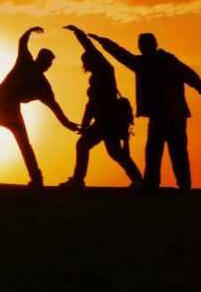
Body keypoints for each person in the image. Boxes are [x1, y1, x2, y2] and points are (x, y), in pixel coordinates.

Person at [89, 31, 201, 191]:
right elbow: (190, 76)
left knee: (164, 151)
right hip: (168, 114)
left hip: (171, 114)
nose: (142, 48)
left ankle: (165, 184)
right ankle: (171, 185)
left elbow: (122, 54)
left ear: (147, 46)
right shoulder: (160, 61)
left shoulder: (152, 62)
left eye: (142, 45)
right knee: (164, 151)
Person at [0, 27, 80, 187]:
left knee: (21, 143)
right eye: (47, 62)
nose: (48, 66)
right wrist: (29, 31)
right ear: (40, 59)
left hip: (7, 108)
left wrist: (67, 123)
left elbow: (54, 106)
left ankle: (35, 178)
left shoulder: (42, 85)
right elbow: (22, 42)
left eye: (49, 64)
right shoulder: (26, 63)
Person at [60, 25, 142, 189]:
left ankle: (78, 180)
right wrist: (85, 124)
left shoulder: (105, 71)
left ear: (91, 61)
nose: (85, 65)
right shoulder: (98, 76)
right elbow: (90, 105)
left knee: (85, 146)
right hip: (105, 121)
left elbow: (91, 49)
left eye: (86, 62)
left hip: (107, 120)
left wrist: (79, 34)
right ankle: (138, 180)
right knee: (115, 153)